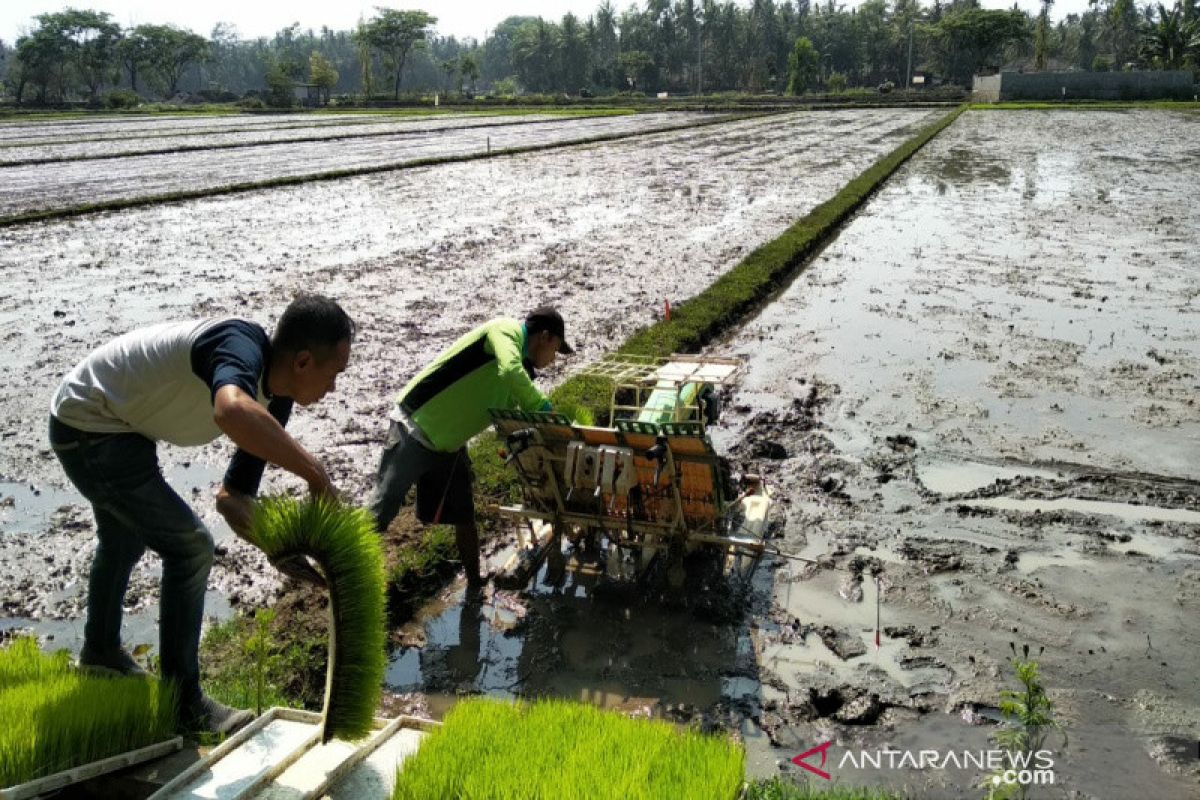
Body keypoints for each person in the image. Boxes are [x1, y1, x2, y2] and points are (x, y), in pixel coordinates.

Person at [48, 294, 354, 735]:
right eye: (335, 373)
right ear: (304, 361)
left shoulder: (276, 398)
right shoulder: (239, 345)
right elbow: (229, 409)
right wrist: (317, 475)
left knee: (124, 539)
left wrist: (276, 544)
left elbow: (232, 498)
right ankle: (184, 703)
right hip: (89, 423)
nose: (334, 388)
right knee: (191, 548)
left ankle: (99, 652)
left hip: (118, 427)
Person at [370, 306, 572, 584]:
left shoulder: (522, 370)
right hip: (415, 426)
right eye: (556, 350)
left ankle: (475, 583)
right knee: (383, 508)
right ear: (545, 337)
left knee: (464, 515)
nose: (552, 360)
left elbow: (511, 417)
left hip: (449, 444)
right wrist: (546, 411)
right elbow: (510, 370)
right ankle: (343, 576)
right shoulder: (505, 331)